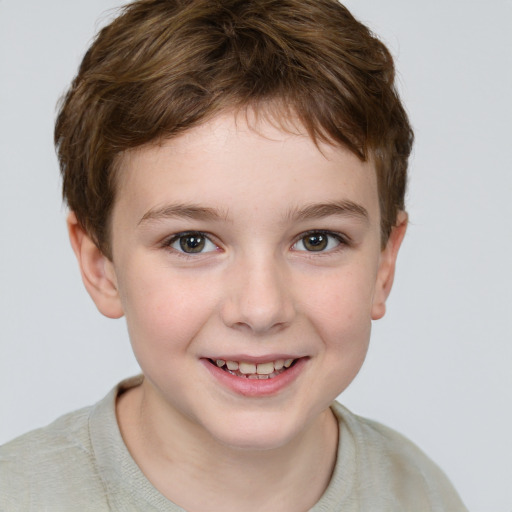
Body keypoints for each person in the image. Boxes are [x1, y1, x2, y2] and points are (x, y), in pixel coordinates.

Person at [0, 0, 467, 510]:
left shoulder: (422, 494)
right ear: (101, 266)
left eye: (317, 239)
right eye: (191, 241)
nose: (261, 309)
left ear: (383, 264)